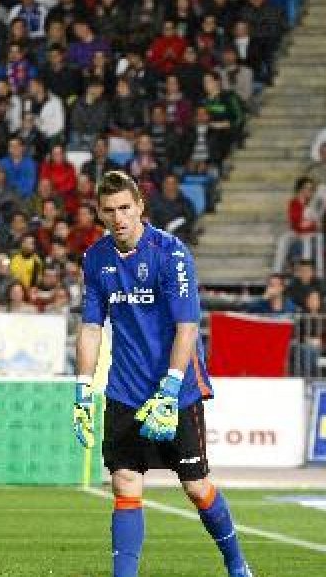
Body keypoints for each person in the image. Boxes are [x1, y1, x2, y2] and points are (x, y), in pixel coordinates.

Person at [74, 171, 252, 577]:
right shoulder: (96, 258)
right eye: (109, 210)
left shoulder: (170, 253)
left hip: (177, 387)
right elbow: (90, 327)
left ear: (139, 207)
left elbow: (187, 326)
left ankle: (237, 564)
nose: (118, 217)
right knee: (124, 482)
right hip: (125, 387)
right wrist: (83, 389)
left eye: (125, 207)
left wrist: (170, 388)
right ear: (99, 214)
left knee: (196, 487)